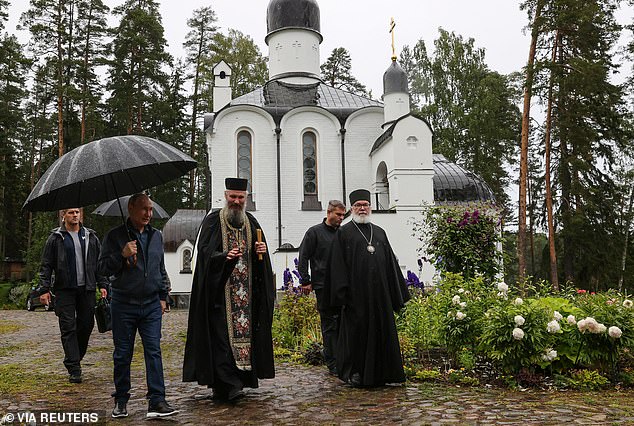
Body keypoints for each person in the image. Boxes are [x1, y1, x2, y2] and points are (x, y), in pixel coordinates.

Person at [183, 178, 275, 401]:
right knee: (221, 341)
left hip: (246, 298)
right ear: (225, 196)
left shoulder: (251, 222)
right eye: (232, 197)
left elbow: (260, 257)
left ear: (246, 199)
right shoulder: (214, 221)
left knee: (244, 341)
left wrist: (261, 250)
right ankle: (226, 385)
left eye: (240, 197)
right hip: (219, 296)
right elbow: (204, 254)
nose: (236, 201)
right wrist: (223, 258)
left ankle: (239, 382)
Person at [98, 193, 178, 419]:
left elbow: (160, 268)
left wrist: (163, 296)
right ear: (131, 208)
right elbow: (103, 269)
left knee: (154, 351)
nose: (148, 214)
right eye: (144, 209)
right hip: (123, 304)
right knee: (123, 354)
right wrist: (121, 256)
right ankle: (121, 400)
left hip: (152, 304)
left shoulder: (156, 236)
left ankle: (157, 401)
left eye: (150, 209)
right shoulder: (115, 237)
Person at [325, 189, 410, 387]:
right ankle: (357, 373)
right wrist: (342, 296)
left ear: (370, 207)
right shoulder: (344, 233)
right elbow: (337, 266)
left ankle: (385, 373)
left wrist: (395, 293)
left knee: (383, 333)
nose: (362, 208)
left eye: (365, 205)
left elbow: (390, 264)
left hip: (380, 297)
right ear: (351, 209)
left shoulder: (380, 232)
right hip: (356, 297)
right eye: (358, 205)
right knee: (357, 336)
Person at [38, 208, 109, 384]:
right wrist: (44, 289)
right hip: (64, 289)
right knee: (68, 327)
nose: (75, 215)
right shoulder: (55, 238)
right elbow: (46, 265)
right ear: (64, 216)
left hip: (87, 289)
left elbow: (99, 262)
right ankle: (74, 367)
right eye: (71, 212)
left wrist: (103, 284)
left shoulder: (91, 236)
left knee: (86, 325)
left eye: (77, 212)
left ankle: (75, 356)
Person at [297, 200, 346, 375]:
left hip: (342, 286)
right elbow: (303, 256)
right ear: (329, 212)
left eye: (343, 215)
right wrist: (305, 280)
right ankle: (332, 362)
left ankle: (343, 359)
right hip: (323, 285)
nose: (341, 218)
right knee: (329, 324)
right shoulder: (314, 233)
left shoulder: (343, 233)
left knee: (342, 323)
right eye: (338, 214)